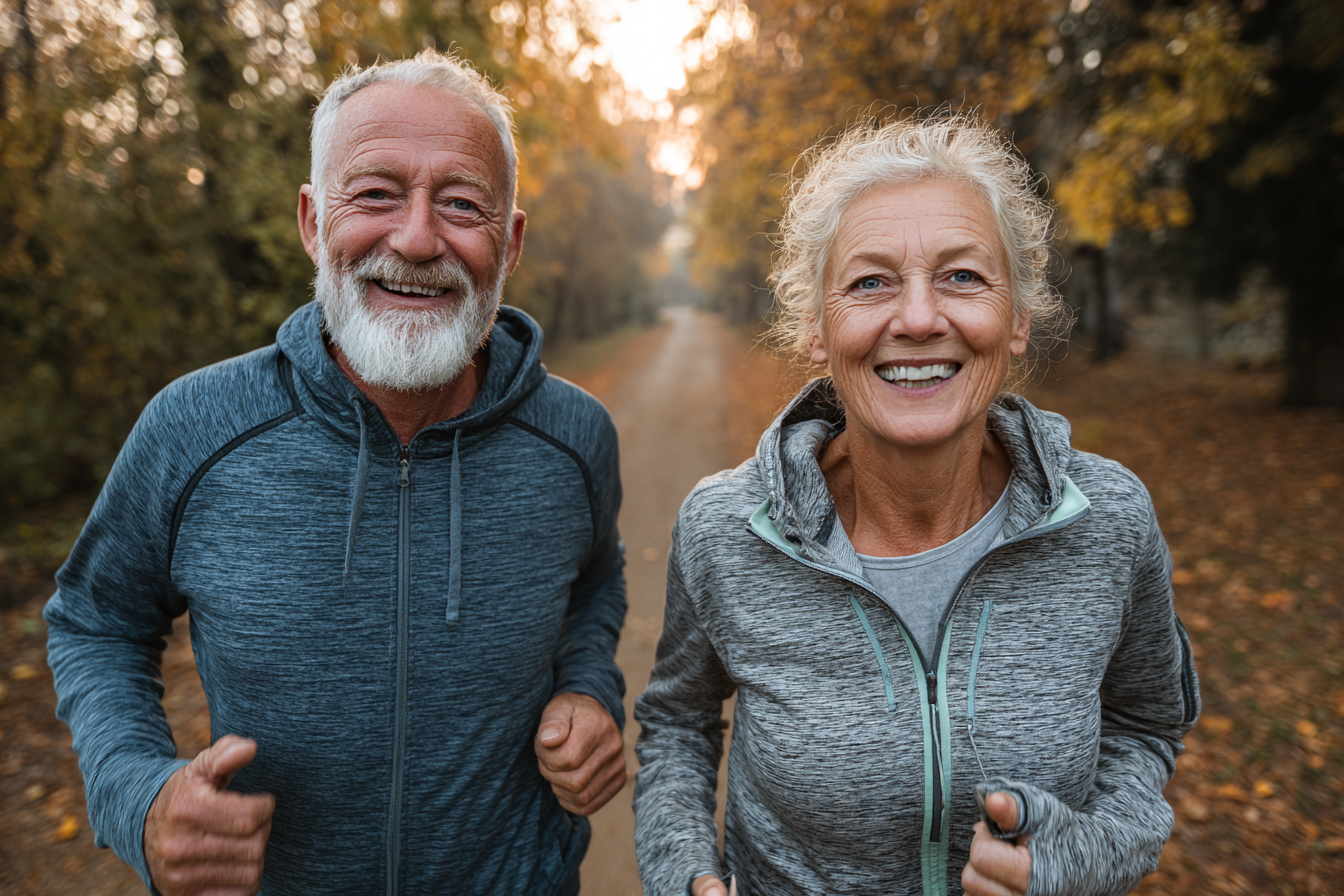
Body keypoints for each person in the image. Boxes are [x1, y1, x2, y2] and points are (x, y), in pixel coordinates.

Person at [45, 50, 627, 896]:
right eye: (376, 195)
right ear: (315, 224)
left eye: (462, 204)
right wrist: (136, 794)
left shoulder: (576, 436)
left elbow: (596, 584)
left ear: (509, 242)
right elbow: (97, 620)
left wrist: (589, 688)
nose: (418, 238)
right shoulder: (194, 428)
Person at [632, 114, 1200, 896]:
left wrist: (1083, 855)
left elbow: (1144, 726)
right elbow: (677, 726)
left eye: (963, 276)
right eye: (870, 282)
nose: (920, 318)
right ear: (817, 329)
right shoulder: (726, 531)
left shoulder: (1108, 521)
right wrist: (688, 877)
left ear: (1018, 319)